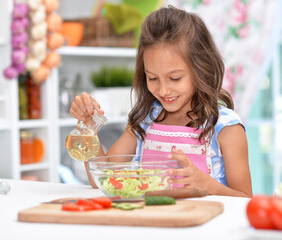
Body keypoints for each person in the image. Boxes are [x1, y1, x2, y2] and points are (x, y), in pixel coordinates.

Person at [69, 6, 252, 198]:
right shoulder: (144, 121)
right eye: (153, 78)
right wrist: (88, 127)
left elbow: (245, 199)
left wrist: (207, 185)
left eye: (174, 78)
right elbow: (103, 178)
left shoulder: (224, 127)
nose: (163, 91)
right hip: (151, 225)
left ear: (201, 69)